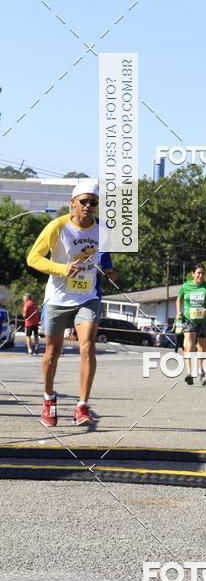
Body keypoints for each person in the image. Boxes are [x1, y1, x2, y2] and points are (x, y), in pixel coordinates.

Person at [26, 179, 102, 427]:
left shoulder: (102, 230)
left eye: (93, 202)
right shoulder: (57, 226)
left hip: (87, 297)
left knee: (87, 346)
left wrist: (110, 272)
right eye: (84, 201)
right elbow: (33, 258)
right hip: (58, 297)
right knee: (52, 352)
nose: (88, 206)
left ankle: (82, 406)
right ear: (73, 203)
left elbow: (105, 259)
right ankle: (49, 399)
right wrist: (61, 268)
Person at [176, 264, 206, 387]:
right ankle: (189, 373)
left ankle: (201, 371)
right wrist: (178, 312)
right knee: (189, 346)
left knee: (202, 348)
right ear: (193, 274)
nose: (201, 275)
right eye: (198, 273)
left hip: (204, 321)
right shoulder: (186, 286)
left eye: (203, 273)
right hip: (189, 319)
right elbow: (179, 299)